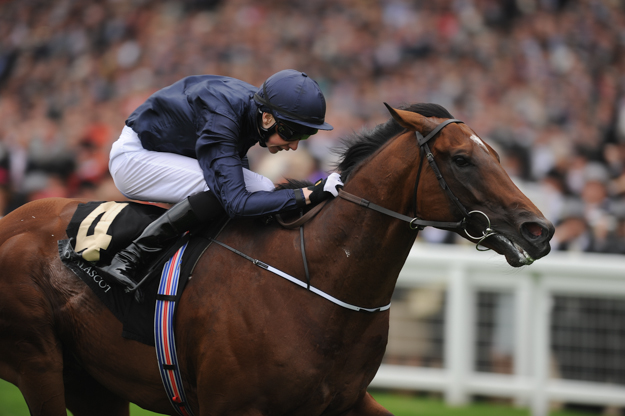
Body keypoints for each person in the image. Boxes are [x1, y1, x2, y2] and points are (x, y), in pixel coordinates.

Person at [102, 69, 343, 289]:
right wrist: (309, 194)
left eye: (306, 134)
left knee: (255, 188)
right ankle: (130, 257)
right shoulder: (223, 115)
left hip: (163, 151)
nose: (294, 145)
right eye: (292, 132)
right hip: (135, 160)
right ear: (268, 118)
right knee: (254, 188)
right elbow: (236, 202)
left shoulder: (256, 108)